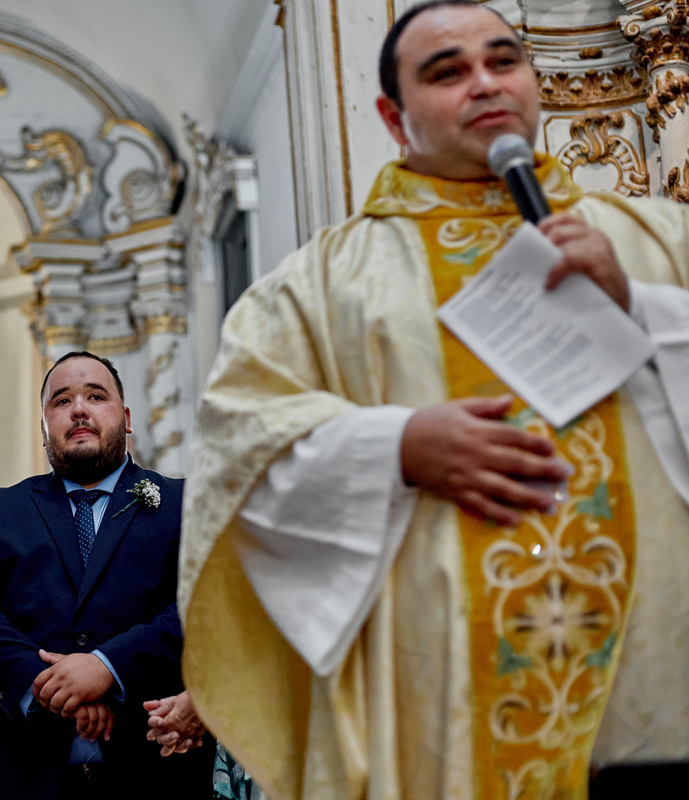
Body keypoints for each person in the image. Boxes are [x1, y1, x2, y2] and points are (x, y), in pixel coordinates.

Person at [178, 2, 689, 799]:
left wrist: (648, 309)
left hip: (661, 677)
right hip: (440, 697)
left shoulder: (658, 240)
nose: (484, 84)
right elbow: (234, 446)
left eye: (503, 61)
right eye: (448, 72)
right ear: (392, 114)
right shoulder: (318, 288)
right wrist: (393, 448)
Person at [0, 351, 213, 799]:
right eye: (61, 401)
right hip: (13, 765)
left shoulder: (185, 502)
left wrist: (107, 667)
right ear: (44, 427)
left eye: (95, 396)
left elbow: (206, 605)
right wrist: (46, 689)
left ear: (125, 418)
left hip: (154, 765)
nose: (78, 408)